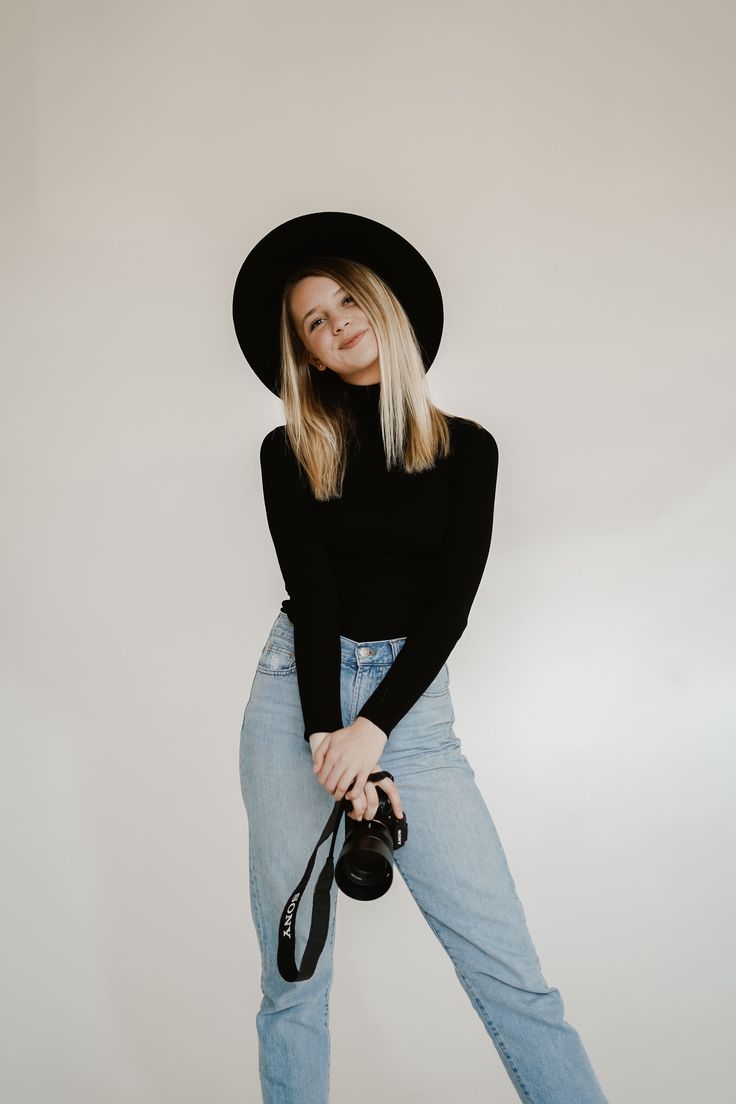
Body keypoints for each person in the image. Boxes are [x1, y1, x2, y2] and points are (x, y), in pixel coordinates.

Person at [232, 211, 609, 1104]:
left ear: (386, 310)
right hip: (298, 698)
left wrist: (375, 730)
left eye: (347, 302)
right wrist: (332, 742)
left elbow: (450, 609)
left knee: (511, 971)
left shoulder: (466, 449)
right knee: (295, 977)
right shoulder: (289, 451)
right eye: (314, 323)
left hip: (411, 708)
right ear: (309, 358)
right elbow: (315, 600)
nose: (336, 325)